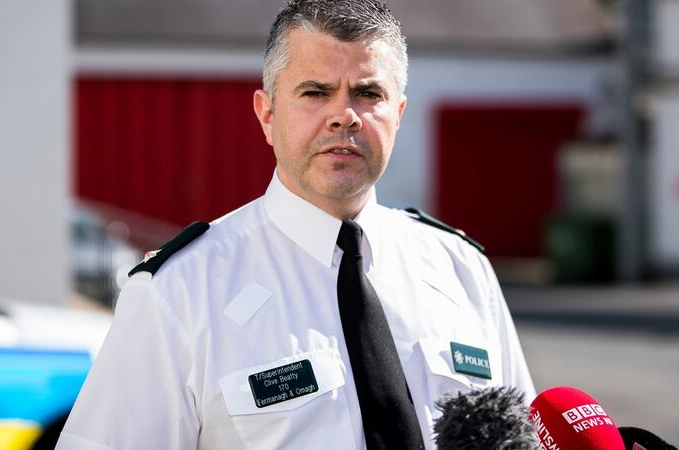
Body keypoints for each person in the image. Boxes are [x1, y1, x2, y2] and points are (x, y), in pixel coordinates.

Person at [57, 1, 535, 449]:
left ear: (399, 114)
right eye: (315, 92)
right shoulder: (181, 292)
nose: (343, 116)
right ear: (267, 115)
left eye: (368, 93)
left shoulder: (461, 270)